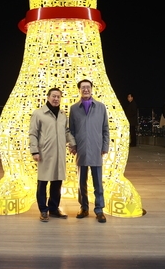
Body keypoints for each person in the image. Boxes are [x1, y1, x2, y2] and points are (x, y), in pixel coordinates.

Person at [29, 88, 76, 222]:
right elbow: (33, 133)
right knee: (42, 183)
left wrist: (73, 144)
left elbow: (66, 131)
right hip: (45, 153)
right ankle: (43, 210)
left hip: (59, 153)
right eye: (53, 96)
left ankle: (54, 208)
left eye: (58, 97)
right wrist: (35, 151)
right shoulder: (39, 114)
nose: (56, 99)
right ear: (48, 97)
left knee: (57, 183)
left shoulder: (62, 115)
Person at [69, 79, 109, 223]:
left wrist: (105, 147)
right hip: (82, 150)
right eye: (83, 87)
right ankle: (83, 207)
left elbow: (105, 129)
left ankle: (99, 209)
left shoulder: (100, 107)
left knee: (98, 182)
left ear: (92, 89)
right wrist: (73, 145)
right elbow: (71, 130)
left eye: (88, 87)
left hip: (96, 149)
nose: (85, 89)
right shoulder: (74, 109)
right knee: (81, 182)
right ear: (79, 90)